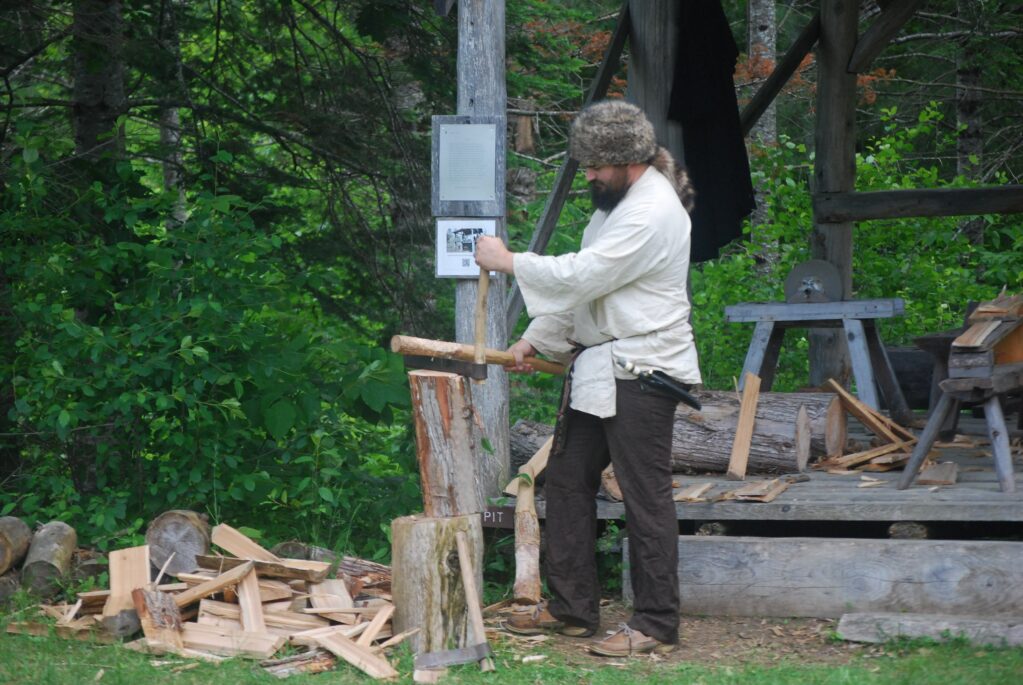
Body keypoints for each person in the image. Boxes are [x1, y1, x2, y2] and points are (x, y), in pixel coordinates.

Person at [474, 99, 701, 657]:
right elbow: (586, 289)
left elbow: (584, 273)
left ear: (628, 160)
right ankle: (573, 609)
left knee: (645, 499)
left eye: (598, 166)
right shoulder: (616, 205)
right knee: (568, 479)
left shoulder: (652, 212)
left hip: (644, 371)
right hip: (603, 368)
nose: (591, 176)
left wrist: (509, 261)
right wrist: (537, 338)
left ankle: (655, 624)